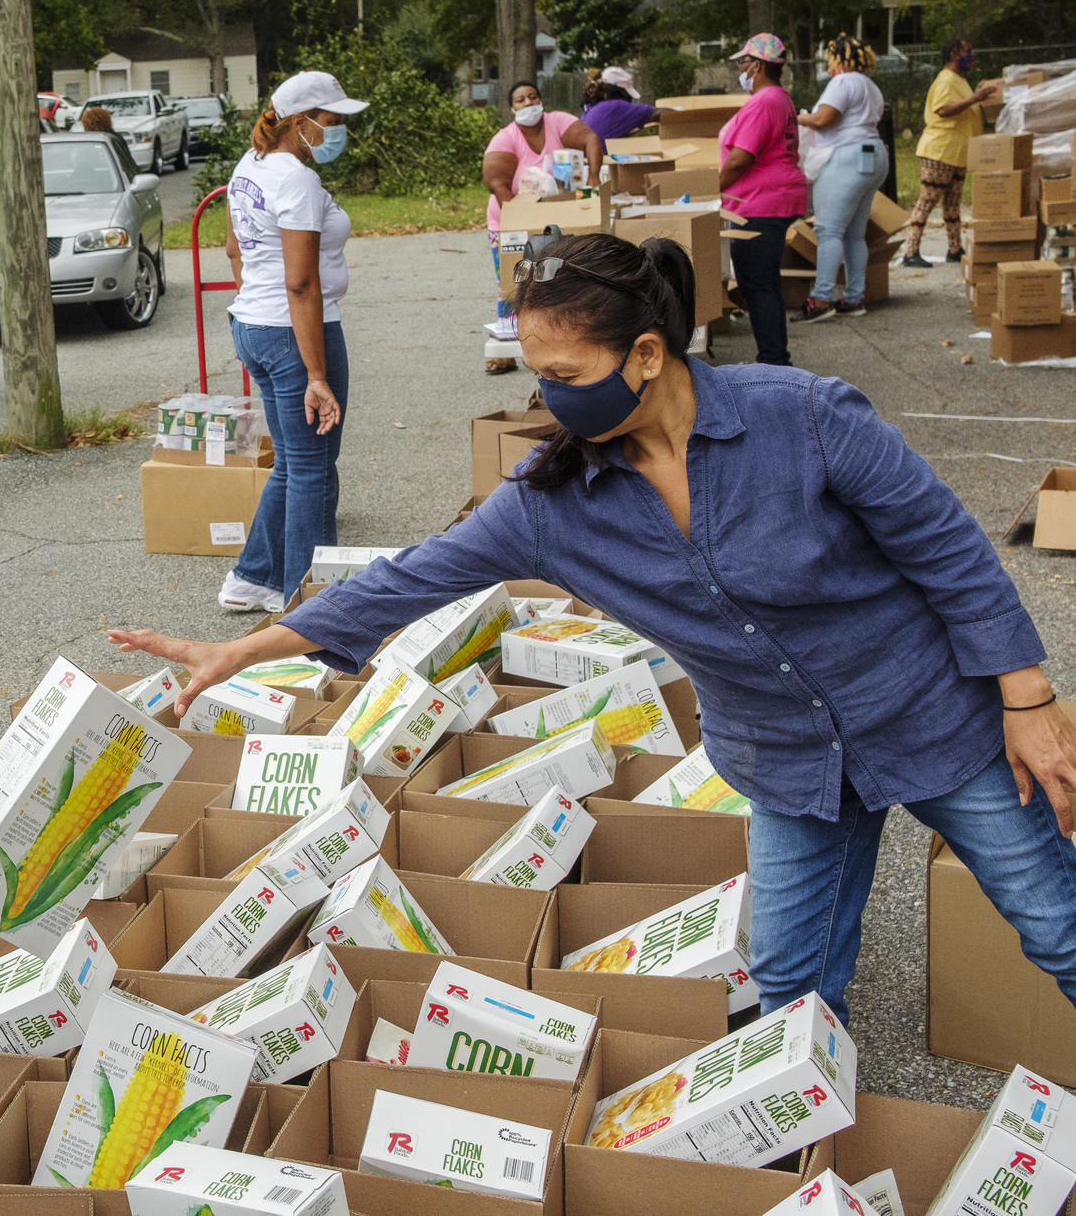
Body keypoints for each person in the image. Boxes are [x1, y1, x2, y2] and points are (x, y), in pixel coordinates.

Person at [113, 229, 1076, 1028]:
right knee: (791, 990)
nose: (551, 397)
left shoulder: (807, 418)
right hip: (787, 759)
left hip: (924, 711)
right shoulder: (551, 502)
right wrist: (242, 649)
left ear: (647, 355)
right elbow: (406, 581)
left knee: (1057, 925)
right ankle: (795, 1162)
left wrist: (1025, 697)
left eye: (567, 373)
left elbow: (946, 547)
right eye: (537, 374)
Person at [215, 70, 368, 613]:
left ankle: (252, 577)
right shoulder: (297, 181)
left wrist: (259, 302)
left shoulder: (249, 165)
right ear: (301, 123)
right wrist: (317, 375)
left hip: (255, 326)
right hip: (297, 333)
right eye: (331, 121)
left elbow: (234, 249)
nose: (338, 131)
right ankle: (308, 603)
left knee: (292, 462)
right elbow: (300, 282)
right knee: (312, 467)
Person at [482, 81, 605, 374]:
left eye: (532, 97)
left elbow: (590, 140)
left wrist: (594, 178)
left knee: (562, 282)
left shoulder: (558, 123)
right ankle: (507, 348)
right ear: (512, 108)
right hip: (509, 217)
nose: (528, 104)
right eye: (520, 100)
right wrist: (517, 217)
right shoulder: (505, 138)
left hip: (558, 217)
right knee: (513, 282)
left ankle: (561, 344)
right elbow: (497, 182)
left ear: (541, 100)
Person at [718, 33, 808, 365]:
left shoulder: (764, 101)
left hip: (759, 203)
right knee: (763, 282)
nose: (739, 70)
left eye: (742, 63)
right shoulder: (778, 98)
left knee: (757, 283)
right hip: (768, 200)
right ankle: (773, 357)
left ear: (756, 66)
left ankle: (773, 360)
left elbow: (742, 157)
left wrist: (714, 188)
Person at [794, 33, 888, 321]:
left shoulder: (843, 81)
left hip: (846, 157)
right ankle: (854, 297)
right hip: (874, 155)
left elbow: (824, 119)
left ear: (839, 59)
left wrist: (797, 117)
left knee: (829, 230)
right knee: (853, 234)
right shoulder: (871, 86)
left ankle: (821, 299)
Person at [903, 38, 1002, 267]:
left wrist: (976, 97)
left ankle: (954, 249)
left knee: (952, 203)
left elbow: (965, 107)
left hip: (957, 152)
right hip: (940, 150)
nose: (972, 55)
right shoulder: (946, 80)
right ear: (954, 54)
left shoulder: (959, 80)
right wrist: (975, 98)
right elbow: (943, 109)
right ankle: (911, 251)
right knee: (927, 200)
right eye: (968, 51)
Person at [579, 66, 658, 143]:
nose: (629, 99)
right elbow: (656, 113)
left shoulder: (591, 109)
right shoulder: (616, 106)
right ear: (619, 91)